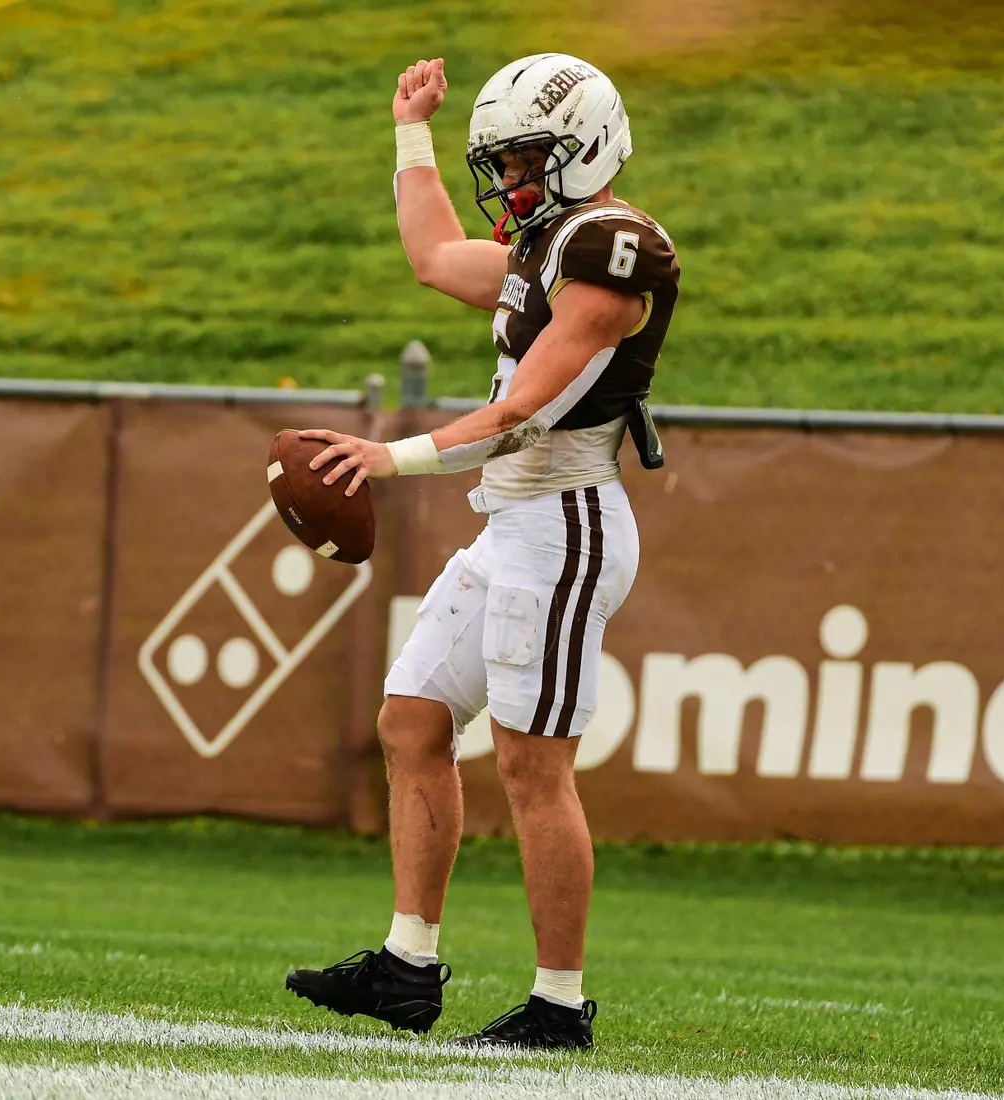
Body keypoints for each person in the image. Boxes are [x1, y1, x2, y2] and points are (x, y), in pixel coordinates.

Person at [284, 51, 679, 1051]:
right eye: (499, 163)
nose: (510, 183)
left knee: (532, 762)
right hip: (515, 521)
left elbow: (519, 413)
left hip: (566, 520)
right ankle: (408, 966)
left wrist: (390, 454)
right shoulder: (547, 244)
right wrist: (409, 128)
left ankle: (557, 1004)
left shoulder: (613, 246)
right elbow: (430, 252)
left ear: (584, 146)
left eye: (526, 160)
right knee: (413, 719)